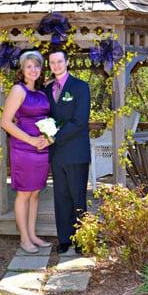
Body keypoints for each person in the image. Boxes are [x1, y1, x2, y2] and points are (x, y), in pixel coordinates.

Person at [1, 50, 52, 254]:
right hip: (23, 149)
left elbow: (50, 121)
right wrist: (31, 140)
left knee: (35, 194)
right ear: (22, 70)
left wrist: (48, 139)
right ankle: (24, 239)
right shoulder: (18, 90)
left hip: (42, 149)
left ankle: (32, 235)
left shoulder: (41, 93)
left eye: (37, 66)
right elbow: (5, 122)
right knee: (24, 194)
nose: (33, 70)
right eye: (29, 66)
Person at [44, 48, 91, 254]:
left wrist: (55, 136)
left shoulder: (80, 87)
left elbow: (80, 121)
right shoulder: (47, 89)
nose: (56, 65)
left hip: (76, 151)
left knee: (77, 196)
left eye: (59, 61)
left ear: (67, 62)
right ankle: (64, 239)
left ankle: (82, 238)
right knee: (60, 196)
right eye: (52, 62)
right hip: (56, 153)